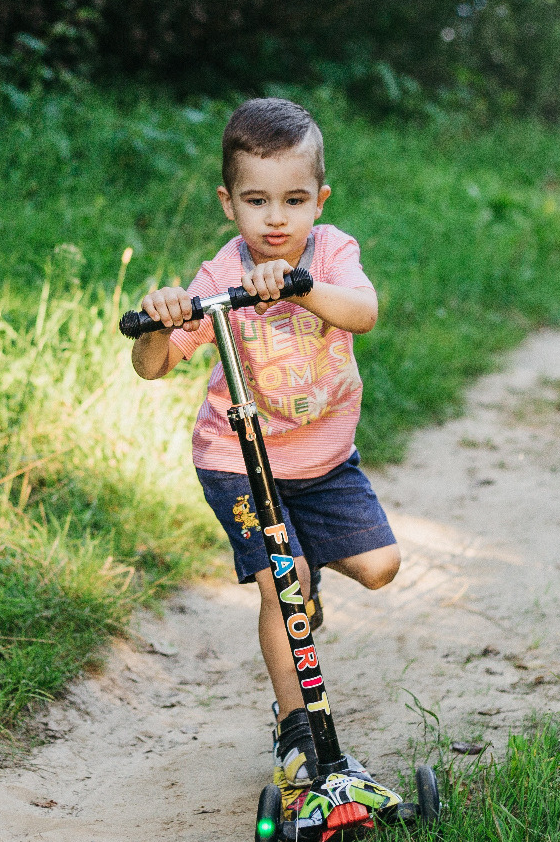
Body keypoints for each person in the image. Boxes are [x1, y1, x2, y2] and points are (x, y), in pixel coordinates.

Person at [129, 96, 400, 788]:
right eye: (257, 201)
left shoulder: (332, 251)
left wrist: (302, 287)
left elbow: (363, 313)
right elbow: (153, 366)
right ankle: (297, 733)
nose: (276, 218)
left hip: (324, 457)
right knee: (287, 585)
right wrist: (162, 319)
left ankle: (303, 579)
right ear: (229, 203)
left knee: (379, 566)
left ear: (319, 200)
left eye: (294, 200)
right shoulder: (221, 273)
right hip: (238, 460)